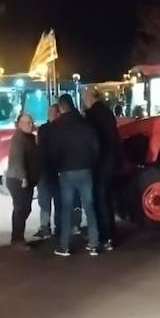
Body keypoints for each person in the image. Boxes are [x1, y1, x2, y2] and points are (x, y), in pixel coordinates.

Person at [44, 93, 100, 256]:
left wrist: (56, 169)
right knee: (89, 207)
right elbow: (96, 146)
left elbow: (53, 152)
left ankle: (64, 246)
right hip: (86, 170)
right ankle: (94, 243)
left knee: (66, 209)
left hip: (66, 172)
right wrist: (91, 164)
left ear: (61, 107)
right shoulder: (86, 123)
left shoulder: (58, 126)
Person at [84, 86, 123, 251]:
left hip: (100, 164)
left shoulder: (92, 115)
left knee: (100, 200)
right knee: (106, 199)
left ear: (91, 98)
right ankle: (110, 235)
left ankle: (105, 236)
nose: (84, 100)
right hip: (112, 162)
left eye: (85, 97)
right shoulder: (107, 112)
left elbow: (93, 142)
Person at [5, 112, 40, 245]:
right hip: (18, 179)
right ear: (20, 124)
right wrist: (23, 177)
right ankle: (17, 239)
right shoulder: (19, 138)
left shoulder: (28, 137)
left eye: (31, 122)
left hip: (26, 179)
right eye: (28, 123)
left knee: (24, 208)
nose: (31, 125)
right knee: (21, 208)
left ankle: (18, 237)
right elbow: (17, 159)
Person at [34, 104, 62, 241]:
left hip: (46, 170)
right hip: (54, 171)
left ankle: (46, 228)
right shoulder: (61, 129)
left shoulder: (43, 129)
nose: (50, 114)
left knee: (46, 201)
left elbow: (38, 145)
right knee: (55, 201)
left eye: (51, 112)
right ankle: (57, 227)